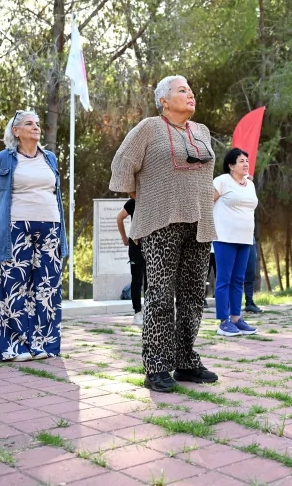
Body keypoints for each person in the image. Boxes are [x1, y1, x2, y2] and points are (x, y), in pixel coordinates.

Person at [109, 75, 218, 393]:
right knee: (158, 297)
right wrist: (144, 198)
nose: (191, 94)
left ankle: (185, 361)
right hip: (160, 223)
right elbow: (122, 164)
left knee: (193, 297)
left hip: (199, 224)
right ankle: (156, 367)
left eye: (191, 90)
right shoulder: (148, 127)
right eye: (182, 90)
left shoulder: (202, 132)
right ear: (164, 100)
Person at [0, 109, 68, 361]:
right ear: (16, 131)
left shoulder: (50, 158)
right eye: (29, 124)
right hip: (16, 228)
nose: (36, 127)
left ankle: (43, 345)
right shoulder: (4, 158)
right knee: (12, 285)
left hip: (51, 227)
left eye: (37, 124)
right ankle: (12, 347)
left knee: (46, 287)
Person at [212, 148, 259, 336]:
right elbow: (206, 204)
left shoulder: (250, 185)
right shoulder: (221, 181)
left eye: (246, 160)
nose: (246, 163)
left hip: (245, 239)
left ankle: (236, 319)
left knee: (238, 280)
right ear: (231, 165)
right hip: (224, 237)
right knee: (224, 279)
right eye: (241, 161)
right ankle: (223, 322)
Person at [117, 198, 146, 325]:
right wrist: (124, 237)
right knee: (137, 280)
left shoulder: (154, 199)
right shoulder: (134, 201)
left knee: (151, 280)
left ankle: (150, 310)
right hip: (135, 245)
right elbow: (119, 217)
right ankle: (137, 312)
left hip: (152, 245)